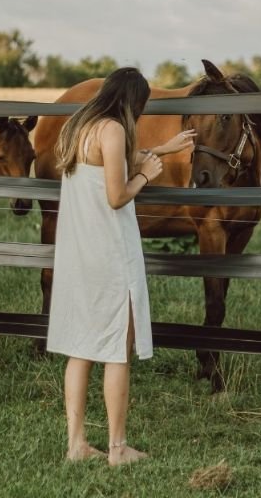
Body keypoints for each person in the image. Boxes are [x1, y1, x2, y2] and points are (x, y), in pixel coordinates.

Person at [45, 67, 196, 466]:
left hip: (80, 250)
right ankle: (117, 448)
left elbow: (111, 163)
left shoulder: (83, 128)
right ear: (133, 102)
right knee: (117, 349)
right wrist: (145, 175)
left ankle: (76, 444)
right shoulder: (113, 129)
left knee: (81, 348)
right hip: (108, 251)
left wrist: (162, 150)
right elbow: (116, 195)